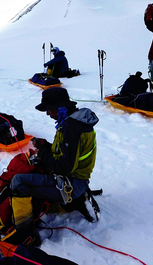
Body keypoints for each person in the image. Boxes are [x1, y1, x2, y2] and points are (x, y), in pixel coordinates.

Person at [9, 87, 99, 244]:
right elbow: (68, 153)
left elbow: (64, 166)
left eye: (48, 109)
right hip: (75, 179)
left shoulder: (71, 127)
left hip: (71, 183)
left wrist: (42, 153)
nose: (47, 113)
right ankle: (72, 203)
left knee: (18, 183)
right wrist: (48, 146)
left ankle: (26, 236)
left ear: (60, 107)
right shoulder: (73, 121)